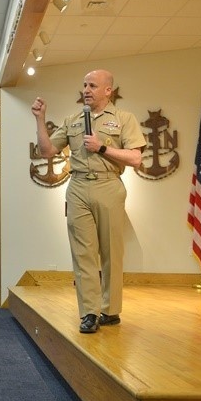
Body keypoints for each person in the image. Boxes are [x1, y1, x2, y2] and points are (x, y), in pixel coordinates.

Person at [31, 69, 146, 333]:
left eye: (92, 85)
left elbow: (136, 158)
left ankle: (110, 309)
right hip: (78, 186)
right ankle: (89, 313)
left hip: (109, 185)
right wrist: (40, 119)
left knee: (111, 252)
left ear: (108, 90)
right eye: (84, 85)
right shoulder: (72, 119)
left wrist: (102, 147)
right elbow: (47, 150)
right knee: (83, 254)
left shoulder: (123, 118)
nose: (86, 90)